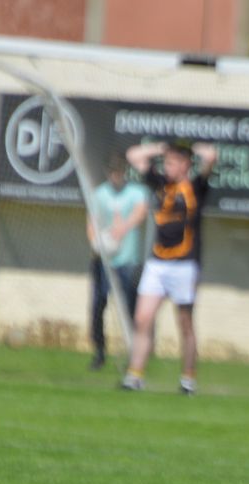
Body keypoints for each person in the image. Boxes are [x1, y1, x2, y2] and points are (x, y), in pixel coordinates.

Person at [120, 140, 217, 395]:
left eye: (173, 163)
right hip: (157, 262)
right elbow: (133, 154)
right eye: (166, 163)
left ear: (185, 165)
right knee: (142, 318)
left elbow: (211, 157)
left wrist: (192, 149)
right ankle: (135, 375)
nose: (167, 167)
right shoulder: (161, 183)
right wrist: (162, 148)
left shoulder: (195, 186)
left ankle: (188, 378)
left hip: (184, 265)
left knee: (185, 322)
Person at [86, 151, 149, 371]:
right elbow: (92, 223)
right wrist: (97, 244)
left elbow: (141, 213)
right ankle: (99, 352)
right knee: (98, 305)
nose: (116, 175)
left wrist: (122, 228)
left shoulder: (136, 192)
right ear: (107, 172)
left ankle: (135, 354)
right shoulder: (99, 195)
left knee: (131, 308)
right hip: (104, 262)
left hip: (128, 261)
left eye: (120, 171)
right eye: (112, 171)